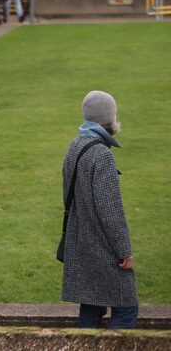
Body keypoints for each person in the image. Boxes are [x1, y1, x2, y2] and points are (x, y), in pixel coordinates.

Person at [60, 91, 138, 329]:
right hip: (103, 248)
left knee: (91, 306)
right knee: (126, 307)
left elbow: (68, 197)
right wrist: (124, 251)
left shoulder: (75, 145)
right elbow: (110, 211)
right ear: (109, 119)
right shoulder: (101, 154)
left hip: (80, 241)